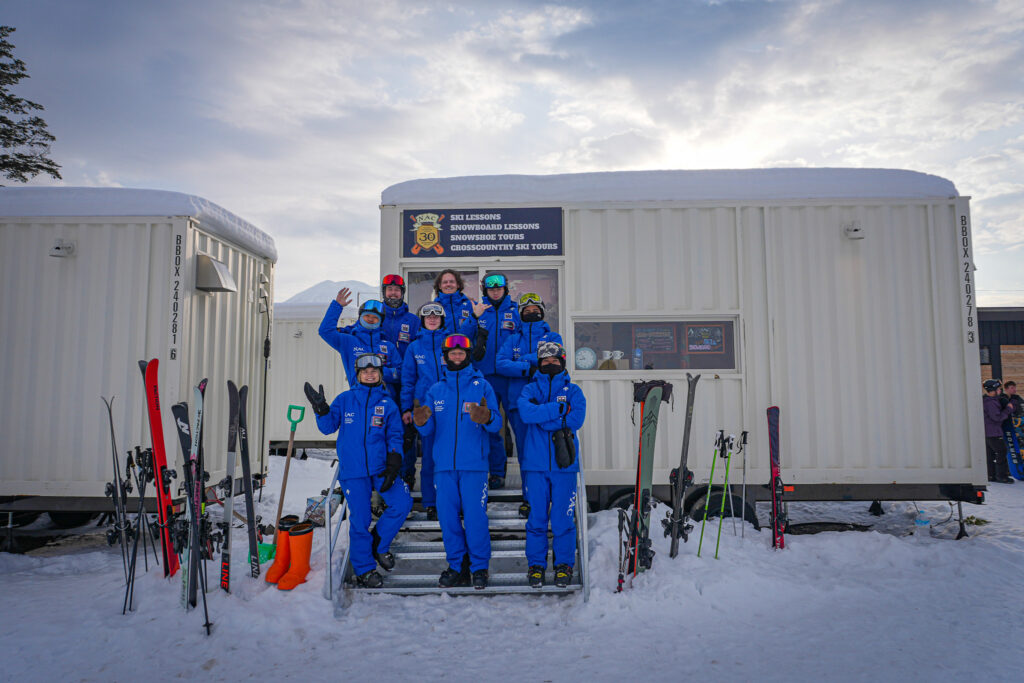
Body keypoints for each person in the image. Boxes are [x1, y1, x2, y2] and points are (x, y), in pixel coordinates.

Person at [304, 354, 413, 587]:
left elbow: (395, 436)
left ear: (380, 375)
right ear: (358, 374)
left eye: (374, 371)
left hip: (381, 468)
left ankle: (379, 544)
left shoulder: (388, 404)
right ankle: (364, 569)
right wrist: (321, 408)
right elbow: (327, 427)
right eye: (365, 371)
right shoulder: (345, 400)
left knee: (402, 502)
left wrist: (394, 460)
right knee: (360, 519)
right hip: (354, 472)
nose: (370, 374)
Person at [413, 334, 502, 589]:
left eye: (461, 353)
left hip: (474, 466)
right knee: (448, 519)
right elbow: (428, 430)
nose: (457, 356)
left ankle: (479, 568)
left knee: (475, 518)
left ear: (467, 355)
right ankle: (456, 566)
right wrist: (421, 421)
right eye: (453, 353)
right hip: (443, 467)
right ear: (446, 356)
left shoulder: (481, 386)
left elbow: (496, 424)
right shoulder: (436, 390)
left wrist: (487, 417)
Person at [517, 341, 586, 588]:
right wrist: (558, 409)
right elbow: (526, 414)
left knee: (562, 520)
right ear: (539, 363)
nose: (550, 363)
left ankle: (563, 565)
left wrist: (543, 418)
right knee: (536, 519)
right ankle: (536, 566)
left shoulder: (574, 391)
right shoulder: (529, 389)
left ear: (562, 362)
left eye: (554, 360)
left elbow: (576, 419)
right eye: (545, 360)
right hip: (534, 466)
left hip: (564, 466)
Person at [459, 272, 520, 488]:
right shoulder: (479, 310)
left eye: (499, 288)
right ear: (485, 290)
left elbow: (526, 339)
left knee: (518, 426)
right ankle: (496, 473)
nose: (495, 292)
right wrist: (474, 317)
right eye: (491, 288)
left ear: (505, 289)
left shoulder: (516, 312)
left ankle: (530, 476)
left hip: (512, 378)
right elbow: (462, 338)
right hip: (485, 378)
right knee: (491, 425)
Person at [496, 293, 563, 468]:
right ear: (520, 314)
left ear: (542, 312)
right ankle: (529, 485)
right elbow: (500, 364)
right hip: (519, 402)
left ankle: (550, 484)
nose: (531, 313)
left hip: (547, 401)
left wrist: (523, 358)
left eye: (535, 310)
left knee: (549, 448)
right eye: (527, 311)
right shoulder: (513, 339)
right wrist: (528, 368)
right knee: (525, 450)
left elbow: (555, 358)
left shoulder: (553, 338)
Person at [400, 302, 449, 519]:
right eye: (428, 317)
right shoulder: (414, 347)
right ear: (422, 321)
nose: (432, 319)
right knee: (429, 458)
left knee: (450, 457)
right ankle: (431, 502)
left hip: (449, 408)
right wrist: (407, 408)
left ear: (442, 320)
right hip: (425, 410)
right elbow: (408, 380)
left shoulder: (451, 343)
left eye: (436, 316)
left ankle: (450, 500)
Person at [318, 288, 401, 396]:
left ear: (380, 321)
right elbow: (325, 331)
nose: (370, 319)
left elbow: (401, 373)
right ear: (360, 317)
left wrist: (379, 372)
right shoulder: (348, 341)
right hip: (358, 399)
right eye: (367, 315)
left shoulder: (389, 346)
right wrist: (337, 306)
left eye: (375, 317)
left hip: (385, 400)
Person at [983, 379, 1014, 483]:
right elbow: (997, 417)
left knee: (990, 454)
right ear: (993, 390)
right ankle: (1001, 476)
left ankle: (991, 475)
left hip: (988, 432)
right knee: (1001, 452)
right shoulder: (991, 403)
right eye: (998, 389)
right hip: (994, 432)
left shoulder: (987, 400)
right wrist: (1008, 409)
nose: (1000, 391)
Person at [433, 269, 475, 333]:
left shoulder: (472, 306)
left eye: (452, 282)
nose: (448, 284)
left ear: (458, 285)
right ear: (440, 286)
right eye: (445, 282)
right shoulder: (433, 308)